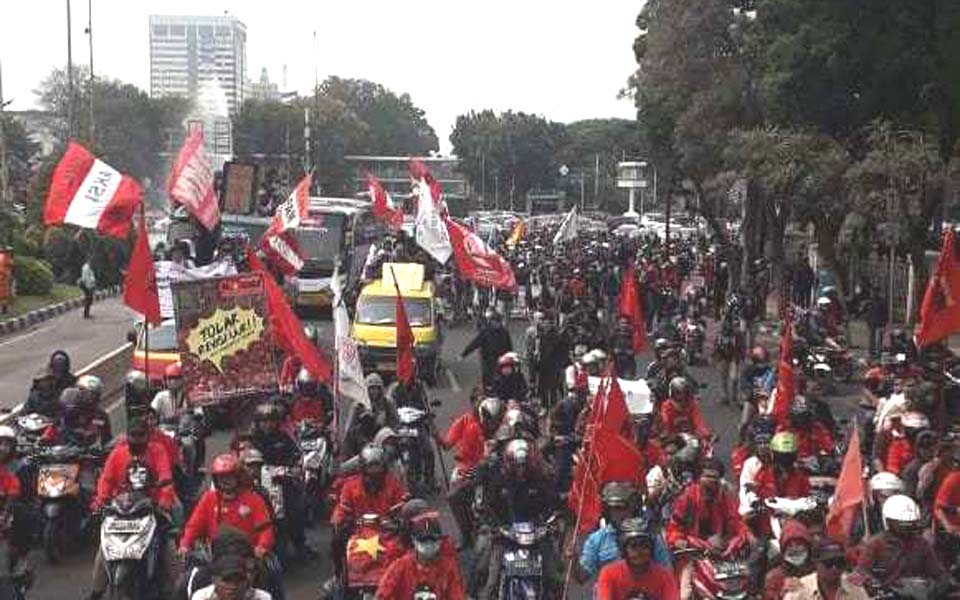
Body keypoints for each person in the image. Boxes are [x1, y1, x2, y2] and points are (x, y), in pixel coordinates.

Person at [87, 419, 179, 600]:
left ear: (147, 436)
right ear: (127, 436)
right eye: (133, 435)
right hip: (121, 510)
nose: (137, 439)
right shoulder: (117, 454)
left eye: (141, 435)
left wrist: (164, 501)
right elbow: (106, 480)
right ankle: (96, 592)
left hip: (150, 508)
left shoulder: (157, 450)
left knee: (169, 545)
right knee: (104, 548)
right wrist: (101, 500)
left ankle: (176, 589)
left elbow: (165, 477)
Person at [666, 458, 749, 600]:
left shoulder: (726, 496)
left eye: (715, 477)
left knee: (747, 584)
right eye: (707, 476)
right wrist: (680, 540)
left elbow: (737, 523)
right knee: (684, 595)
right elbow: (673, 529)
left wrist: (740, 538)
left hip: (724, 555)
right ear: (699, 478)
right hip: (694, 556)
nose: (712, 480)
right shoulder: (687, 498)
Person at [330, 445, 409, 578]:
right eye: (370, 469)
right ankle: (338, 576)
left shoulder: (393, 484)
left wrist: (402, 519)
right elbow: (341, 510)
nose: (374, 475)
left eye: (378, 469)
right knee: (336, 541)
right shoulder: (350, 486)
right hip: (358, 532)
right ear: (362, 469)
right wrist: (340, 522)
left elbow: (402, 506)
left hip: (387, 533)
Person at [436, 395, 500, 549]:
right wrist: (435, 434)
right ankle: (466, 534)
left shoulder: (500, 425)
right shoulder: (465, 423)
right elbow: (447, 445)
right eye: (477, 400)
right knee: (454, 495)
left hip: (492, 470)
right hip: (469, 468)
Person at [180, 454, 275, 559]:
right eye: (221, 477)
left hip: (247, 557)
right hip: (215, 557)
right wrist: (185, 544)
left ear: (238, 477)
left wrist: (262, 546)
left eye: (229, 476)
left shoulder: (253, 499)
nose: (225, 480)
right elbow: (194, 526)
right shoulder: (208, 498)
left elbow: (266, 529)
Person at [576, 482, 671, 584]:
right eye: (615, 509)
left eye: (625, 508)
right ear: (608, 511)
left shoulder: (651, 536)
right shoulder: (597, 539)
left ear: (634, 509)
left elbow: (667, 574)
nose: (621, 514)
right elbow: (582, 577)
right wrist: (573, 560)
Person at [857, 494, 947, 587]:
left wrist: (929, 584)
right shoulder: (876, 544)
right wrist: (874, 582)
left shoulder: (921, 544)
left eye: (910, 524)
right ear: (889, 522)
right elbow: (862, 571)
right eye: (902, 524)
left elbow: (938, 572)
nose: (906, 528)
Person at [375, 511, 465, 600]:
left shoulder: (449, 567)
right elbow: (382, 595)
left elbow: (457, 596)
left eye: (433, 539)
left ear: (440, 541)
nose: (428, 544)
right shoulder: (400, 566)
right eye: (423, 540)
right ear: (414, 541)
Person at [595, 517, 680, 600]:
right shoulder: (608, 574)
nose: (639, 552)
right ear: (623, 550)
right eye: (633, 546)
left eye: (644, 545)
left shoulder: (664, 576)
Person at [783, 541, 870, 600]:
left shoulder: (854, 589)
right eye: (829, 563)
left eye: (839, 563)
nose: (834, 568)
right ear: (816, 564)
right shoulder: (800, 591)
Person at [764, 520, 815, 599]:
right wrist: (782, 593)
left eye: (799, 544)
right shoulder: (774, 577)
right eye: (790, 546)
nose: (794, 549)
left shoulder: (820, 570)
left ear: (807, 546)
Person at [461, 308, 513, 385]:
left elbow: (509, 347)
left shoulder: (504, 333)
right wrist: (464, 354)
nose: (497, 324)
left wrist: (510, 359)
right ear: (492, 322)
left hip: (500, 359)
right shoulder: (486, 332)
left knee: (502, 379)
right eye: (495, 321)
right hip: (488, 360)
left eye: (498, 322)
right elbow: (475, 343)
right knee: (488, 378)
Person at [190, 553, 272, 600]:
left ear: (246, 581)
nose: (233, 586)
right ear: (214, 580)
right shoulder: (201, 597)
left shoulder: (262, 598)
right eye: (227, 580)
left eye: (238, 580)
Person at [24, 350, 76, 417]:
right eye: (57, 365)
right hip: (41, 417)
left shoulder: (71, 381)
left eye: (61, 365)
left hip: (60, 418)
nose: (59, 368)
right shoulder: (42, 382)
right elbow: (31, 402)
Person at [659, 377, 711, 443]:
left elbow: (699, 421)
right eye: (679, 396)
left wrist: (706, 434)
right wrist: (666, 435)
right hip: (673, 441)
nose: (683, 401)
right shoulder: (666, 407)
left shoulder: (692, 404)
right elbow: (665, 422)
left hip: (691, 439)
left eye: (685, 395)